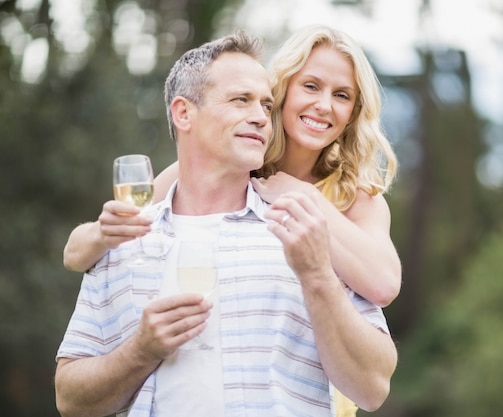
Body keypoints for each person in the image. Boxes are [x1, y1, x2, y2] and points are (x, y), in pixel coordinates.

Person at [60, 25, 401, 416]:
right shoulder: (225, 162)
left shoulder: (352, 199)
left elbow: (385, 285)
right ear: (283, 91)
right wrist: (102, 235)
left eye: (341, 95)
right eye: (311, 87)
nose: (324, 105)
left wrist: (303, 197)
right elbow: (114, 233)